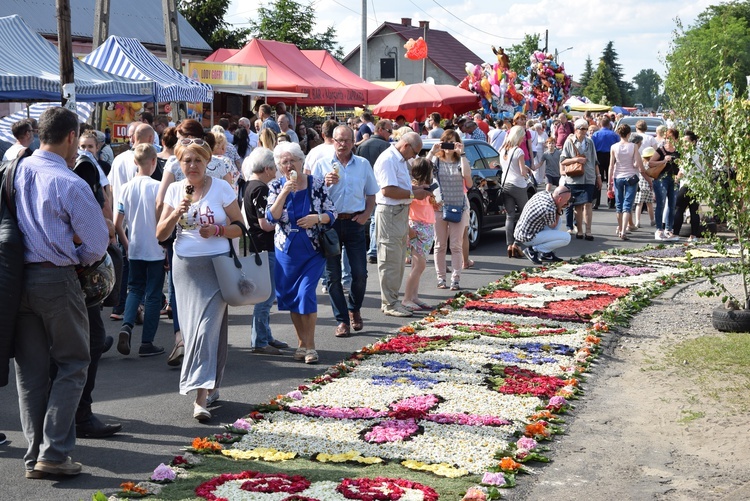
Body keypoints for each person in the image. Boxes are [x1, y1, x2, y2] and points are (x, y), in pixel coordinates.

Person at [14, 107, 109, 478]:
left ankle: (37, 454)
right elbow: (97, 245)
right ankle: (53, 453)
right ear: (72, 137)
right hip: (56, 278)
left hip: (16, 279)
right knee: (73, 363)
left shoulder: (15, 172)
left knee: (32, 373)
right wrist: (76, 252)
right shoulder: (69, 181)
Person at [156, 138, 245, 422]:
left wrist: (218, 229)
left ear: (207, 162)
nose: (192, 165)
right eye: (186, 161)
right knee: (201, 330)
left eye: (197, 160)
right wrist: (175, 212)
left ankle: (199, 397)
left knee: (205, 330)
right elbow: (160, 235)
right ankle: (212, 384)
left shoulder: (221, 188)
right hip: (185, 269)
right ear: (179, 164)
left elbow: (240, 227)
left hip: (217, 267)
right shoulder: (173, 190)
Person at [266, 142, 337, 364]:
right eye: (284, 162)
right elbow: (271, 217)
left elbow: (332, 212)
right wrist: (285, 191)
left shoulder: (315, 183)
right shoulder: (276, 186)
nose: (289, 165)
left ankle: (311, 347)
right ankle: (301, 344)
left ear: (301, 161)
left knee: (306, 294)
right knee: (291, 298)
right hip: (286, 249)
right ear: (279, 166)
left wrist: (317, 218)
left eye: (292, 160)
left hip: (313, 248)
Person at [310, 126, 378, 337]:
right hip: (330, 224)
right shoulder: (322, 165)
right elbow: (313, 198)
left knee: (359, 273)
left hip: (354, 221)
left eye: (347, 140)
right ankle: (341, 320)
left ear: (353, 142)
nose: (343, 144)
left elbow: (371, 195)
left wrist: (366, 215)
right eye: (339, 140)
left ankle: (354, 308)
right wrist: (324, 184)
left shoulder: (363, 165)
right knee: (333, 277)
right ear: (333, 141)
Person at [114, 144, 166, 357]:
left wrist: (127, 245)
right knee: (153, 294)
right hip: (156, 247)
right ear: (154, 161)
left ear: (135, 162)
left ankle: (127, 326)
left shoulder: (126, 188)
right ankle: (147, 342)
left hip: (134, 247)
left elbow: (118, 223)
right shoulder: (158, 187)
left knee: (134, 289)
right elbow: (162, 218)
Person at [373, 132, 431, 317]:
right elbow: (388, 190)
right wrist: (414, 194)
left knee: (397, 259)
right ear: (405, 145)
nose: (414, 157)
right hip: (390, 212)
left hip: (398, 212)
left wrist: (416, 189)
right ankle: (389, 303)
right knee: (390, 259)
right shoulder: (388, 159)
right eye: (414, 152)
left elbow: (400, 186)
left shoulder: (398, 159)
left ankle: (393, 301)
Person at [242, 147, 290, 354]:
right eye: (275, 168)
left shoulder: (249, 185)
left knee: (266, 293)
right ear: (268, 168)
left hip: (257, 245)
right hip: (265, 245)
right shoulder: (261, 188)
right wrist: (281, 220)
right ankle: (259, 340)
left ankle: (264, 335)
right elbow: (265, 223)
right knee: (266, 295)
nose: (277, 171)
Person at [425, 130, 472, 290]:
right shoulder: (437, 161)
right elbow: (423, 172)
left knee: (456, 245)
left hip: (458, 207)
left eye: (452, 142)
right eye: (446, 142)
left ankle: (456, 279)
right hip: (439, 207)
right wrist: (432, 152)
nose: (449, 146)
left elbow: (469, 181)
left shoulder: (461, 160)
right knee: (439, 245)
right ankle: (441, 278)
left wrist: (463, 153)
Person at [356, 119, 393, 265]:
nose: (390, 134)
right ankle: (374, 250)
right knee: (378, 219)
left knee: (372, 219)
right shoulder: (386, 146)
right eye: (389, 131)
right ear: (379, 129)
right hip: (381, 188)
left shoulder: (362, 145)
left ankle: (372, 250)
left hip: (365, 187)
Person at [402, 157, 436, 311]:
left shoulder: (426, 187)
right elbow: (407, 208)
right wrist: (410, 232)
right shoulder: (413, 188)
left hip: (427, 226)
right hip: (417, 226)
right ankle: (407, 298)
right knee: (419, 265)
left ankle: (414, 296)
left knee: (418, 265)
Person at [560, 118, 602, 241]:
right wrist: (576, 160)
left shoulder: (590, 142)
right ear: (576, 129)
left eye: (586, 129)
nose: (584, 131)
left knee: (588, 203)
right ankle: (579, 230)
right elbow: (563, 160)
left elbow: (595, 161)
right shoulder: (569, 142)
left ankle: (588, 231)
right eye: (582, 129)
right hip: (574, 178)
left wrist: (598, 177)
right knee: (577, 205)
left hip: (589, 176)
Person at [607, 124, 651, 240]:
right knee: (627, 205)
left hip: (618, 177)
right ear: (628, 134)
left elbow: (611, 165)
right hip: (631, 176)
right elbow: (637, 163)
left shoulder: (614, 147)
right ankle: (623, 231)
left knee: (619, 205)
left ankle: (620, 227)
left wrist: (609, 182)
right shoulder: (633, 146)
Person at [514, 186, 573, 265]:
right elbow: (553, 226)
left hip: (521, 231)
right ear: (559, 199)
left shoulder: (543, 193)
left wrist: (560, 205)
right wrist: (559, 207)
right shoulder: (548, 208)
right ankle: (533, 250)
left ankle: (546, 254)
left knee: (559, 220)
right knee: (566, 238)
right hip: (528, 237)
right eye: (566, 201)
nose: (567, 204)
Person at [498, 125, 532, 258]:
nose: (524, 138)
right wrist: (527, 173)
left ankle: (509, 244)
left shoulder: (503, 150)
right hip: (518, 185)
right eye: (523, 136)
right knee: (526, 214)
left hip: (505, 184)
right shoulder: (519, 151)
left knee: (510, 216)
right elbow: (522, 172)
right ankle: (517, 244)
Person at [649, 128, 681, 241]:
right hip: (662, 178)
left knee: (672, 205)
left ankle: (669, 229)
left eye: (671, 138)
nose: (668, 141)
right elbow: (651, 163)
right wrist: (664, 160)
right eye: (667, 138)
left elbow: (685, 165)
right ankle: (659, 229)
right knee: (661, 204)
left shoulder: (679, 151)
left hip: (675, 179)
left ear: (676, 139)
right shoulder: (661, 150)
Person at [673, 130, 702, 242]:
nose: (684, 145)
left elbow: (682, 171)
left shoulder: (690, 154)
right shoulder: (701, 153)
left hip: (688, 184)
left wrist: (676, 178)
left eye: (686, 142)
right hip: (698, 184)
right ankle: (694, 235)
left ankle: (675, 233)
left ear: (693, 142)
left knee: (679, 208)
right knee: (694, 210)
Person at [591, 116, 620, 209]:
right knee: (610, 179)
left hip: (598, 156)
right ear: (609, 124)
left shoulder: (596, 135)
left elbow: (592, 148)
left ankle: (596, 202)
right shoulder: (614, 135)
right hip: (610, 156)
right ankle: (611, 201)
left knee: (598, 178)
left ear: (600, 124)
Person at [633, 145, 657, 229]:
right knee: (649, 204)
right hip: (649, 187)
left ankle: (637, 221)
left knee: (639, 205)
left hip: (640, 186)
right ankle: (652, 220)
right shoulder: (652, 165)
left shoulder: (641, 164)